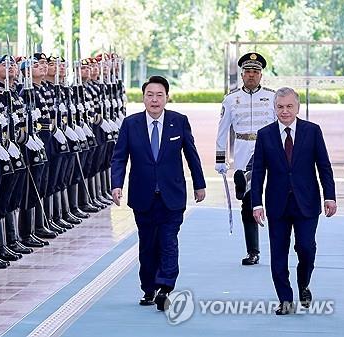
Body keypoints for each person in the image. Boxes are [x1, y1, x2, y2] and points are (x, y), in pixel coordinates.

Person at [111, 75, 206, 311]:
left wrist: (199, 183)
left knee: (168, 241)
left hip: (171, 195)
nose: (154, 100)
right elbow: (119, 157)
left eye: (159, 95)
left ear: (167, 97)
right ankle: (149, 289)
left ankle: (165, 285)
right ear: (143, 98)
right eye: (150, 95)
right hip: (142, 196)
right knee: (147, 244)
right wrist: (116, 184)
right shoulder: (130, 124)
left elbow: (191, 155)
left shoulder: (179, 121)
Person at [251, 87, 337, 315]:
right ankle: (285, 299)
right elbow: (258, 171)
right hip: (277, 204)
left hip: (307, 202)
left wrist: (330, 196)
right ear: (274, 108)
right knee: (278, 254)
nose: (285, 111)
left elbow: (324, 166)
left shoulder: (312, 131)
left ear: (297, 107)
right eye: (280, 107)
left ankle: (303, 284)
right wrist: (256, 203)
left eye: (289, 106)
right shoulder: (265, 134)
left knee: (306, 248)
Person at [215, 52, 276, 265]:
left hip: (268, 149)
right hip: (242, 148)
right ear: (242, 74)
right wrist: (220, 160)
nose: (251, 75)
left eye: (255, 72)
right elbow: (222, 131)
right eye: (248, 71)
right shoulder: (231, 99)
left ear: (261, 75)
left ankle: (281, 245)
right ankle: (253, 251)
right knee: (249, 203)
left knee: (274, 197)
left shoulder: (272, 97)